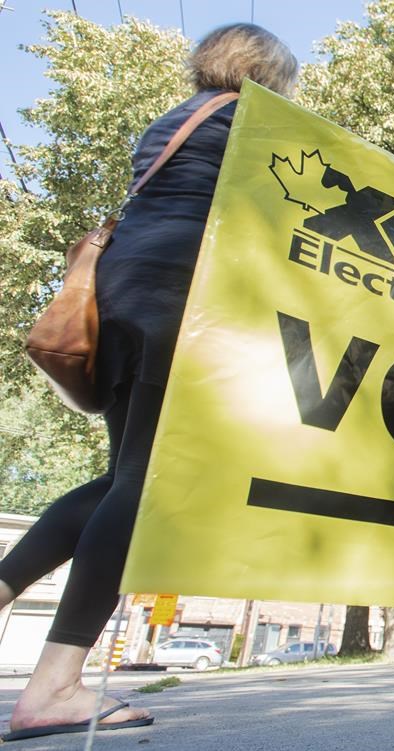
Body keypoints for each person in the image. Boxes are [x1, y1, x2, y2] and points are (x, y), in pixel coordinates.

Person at [0, 25, 298, 741]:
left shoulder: (171, 123)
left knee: (122, 478)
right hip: (179, 298)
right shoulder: (252, 119)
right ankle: (55, 686)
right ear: (268, 73)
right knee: (151, 482)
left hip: (123, 294)